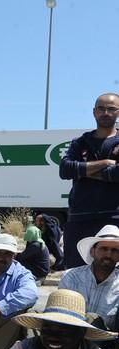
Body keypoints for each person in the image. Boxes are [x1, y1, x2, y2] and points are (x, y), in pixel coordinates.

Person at [59, 93, 119, 267]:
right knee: (76, 271)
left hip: (114, 217)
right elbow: (65, 169)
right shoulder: (80, 142)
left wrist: (84, 171)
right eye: (101, 108)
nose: (106, 112)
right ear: (94, 112)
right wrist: (106, 164)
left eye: (111, 109)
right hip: (80, 217)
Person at [59, 225, 119, 331]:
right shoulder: (71, 277)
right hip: (70, 337)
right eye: (104, 249)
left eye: (114, 250)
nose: (108, 255)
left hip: (105, 342)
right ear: (92, 251)